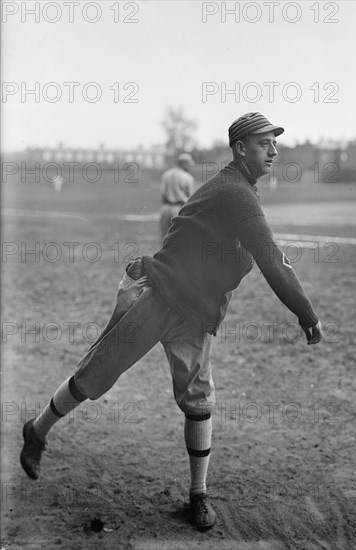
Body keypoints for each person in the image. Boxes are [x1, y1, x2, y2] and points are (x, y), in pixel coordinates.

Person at [20, 112, 323, 530]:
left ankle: (198, 495)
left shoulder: (240, 190)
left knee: (198, 400)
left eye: (275, 142)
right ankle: (36, 432)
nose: (274, 149)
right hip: (159, 294)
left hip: (195, 310)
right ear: (240, 148)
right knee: (95, 376)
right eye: (264, 142)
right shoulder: (235, 192)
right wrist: (307, 315)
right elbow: (272, 259)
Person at [159, 152, 195, 240]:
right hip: (179, 209)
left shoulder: (166, 175)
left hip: (165, 208)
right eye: (189, 165)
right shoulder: (187, 177)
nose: (190, 167)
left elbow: (163, 193)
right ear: (184, 164)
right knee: (179, 237)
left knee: (164, 237)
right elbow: (191, 198)